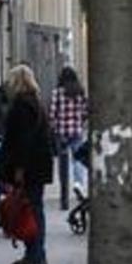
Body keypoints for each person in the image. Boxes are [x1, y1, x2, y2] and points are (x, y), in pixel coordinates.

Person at [0, 65, 54, 264]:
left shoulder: (22, 106)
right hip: (37, 165)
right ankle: (35, 252)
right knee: (32, 208)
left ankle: (36, 254)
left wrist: (19, 168)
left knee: (31, 209)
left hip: (29, 167)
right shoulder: (35, 103)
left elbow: (22, 140)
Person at [49, 67, 89, 197]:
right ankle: (78, 183)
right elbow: (85, 112)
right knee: (78, 158)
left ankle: (64, 189)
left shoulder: (57, 93)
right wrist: (80, 122)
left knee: (63, 161)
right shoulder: (80, 92)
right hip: (76, 130)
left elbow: (53, 113)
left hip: (61, 132)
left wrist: (54, 128)